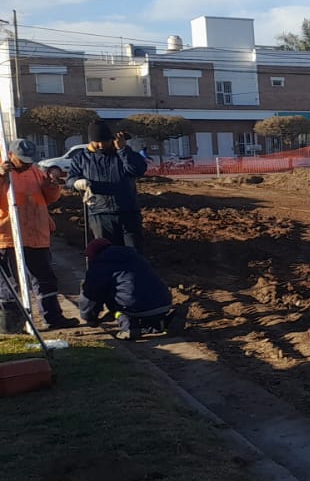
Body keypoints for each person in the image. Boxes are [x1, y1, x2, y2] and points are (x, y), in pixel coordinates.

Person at [0, 139, 81, 333]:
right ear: (12, 156)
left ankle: (52, 317)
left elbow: (49, 198)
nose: (27, 164)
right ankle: (11, 326)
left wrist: (51, 185)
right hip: (9, 236)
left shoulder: (35, 171)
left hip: (36, 234)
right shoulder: (4, 171)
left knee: (45, 279)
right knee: (11, 284)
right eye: (23, 161)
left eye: (30, 160)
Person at [76, 238, 188, 341]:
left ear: (94, 255)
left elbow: (90, 295)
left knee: (116, 300)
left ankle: (128, 326)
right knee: (135, 296)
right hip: (163, 303)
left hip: (133, 306)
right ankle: (164, 322)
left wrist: (89, 317)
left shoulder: (100, 266)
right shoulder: (135, 256)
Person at [67, 119, 148, 251]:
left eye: (103, 141)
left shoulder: (123, 154)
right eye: (96, 142)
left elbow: (138, 170)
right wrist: (77, 183)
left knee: (134, 254)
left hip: (128, 213)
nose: (100, 145)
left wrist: (122, 150)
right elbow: (70, 180)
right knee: (107, 255)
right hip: (99, 214)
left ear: (111, 139)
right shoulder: (82, 158)